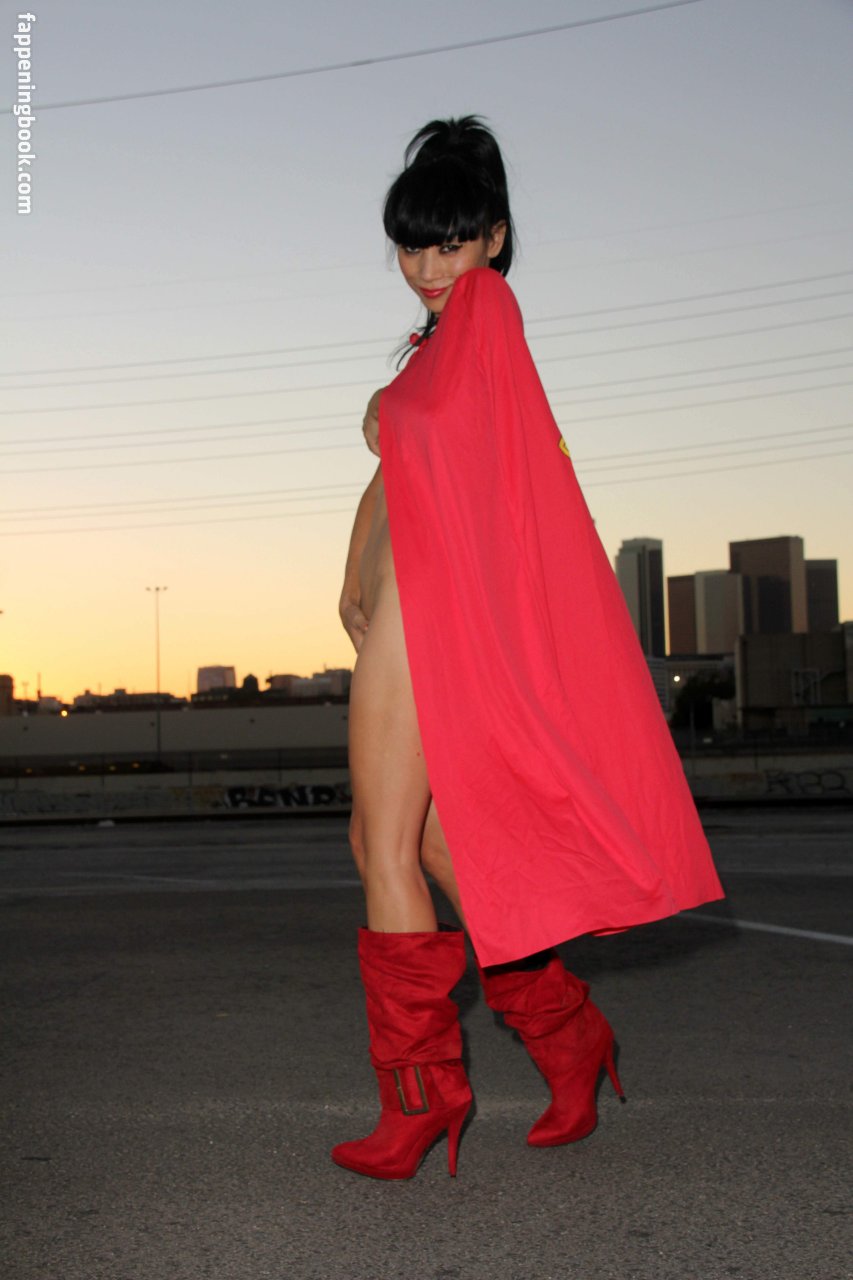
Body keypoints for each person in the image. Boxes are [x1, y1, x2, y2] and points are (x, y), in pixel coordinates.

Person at [334, 116, 723, 1181]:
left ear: (495, 240)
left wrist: (384, 424)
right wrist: (350, 566)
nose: (428, 267)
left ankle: (421, 1099)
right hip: (400, 597)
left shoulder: (486, 314)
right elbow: (403, 470)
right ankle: (569, 1035)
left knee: (382, 846)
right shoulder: (437, 340)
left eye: (451, 242)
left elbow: (475, 471)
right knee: (423, 848)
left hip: (428, 609)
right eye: (410, 246)